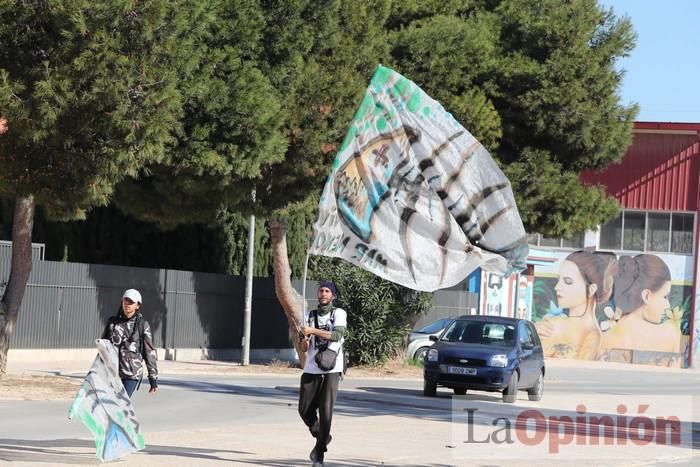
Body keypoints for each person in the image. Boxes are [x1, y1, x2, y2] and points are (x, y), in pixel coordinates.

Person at [298, 281, 347, 467]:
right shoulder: (309, 316)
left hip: (331, 369)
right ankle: (323, 437)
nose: (323, 294)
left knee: (326, 413)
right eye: (321, 291)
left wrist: (313, 330)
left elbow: (337, 335)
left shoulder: (339, 313)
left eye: (327, 291)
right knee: (304, 409)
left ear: (333, 295)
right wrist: (305, 339)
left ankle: (319, 455)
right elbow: (303, 347)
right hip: (311, 368)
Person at [535, 250, 615, 360]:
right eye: (559, 280)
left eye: (567, 281)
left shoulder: (593, 337)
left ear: (591, 290)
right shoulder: (551, 324)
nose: (557, 287)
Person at [600, 254, 681, 354]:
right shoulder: (669, 335)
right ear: (646, 296)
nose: (668, 305)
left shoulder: (607, 338)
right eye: (665, 297)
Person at [101, 289, 158, 397]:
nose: (127, 304)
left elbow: (149, 352)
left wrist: (153, 378)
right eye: (125, 300)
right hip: (112, 373)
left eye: (131, 302)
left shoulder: (142, 325)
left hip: (131, 375)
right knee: (110, 406)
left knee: (121, 405)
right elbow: (103, 348)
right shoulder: (113, 323)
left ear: (137, 306)